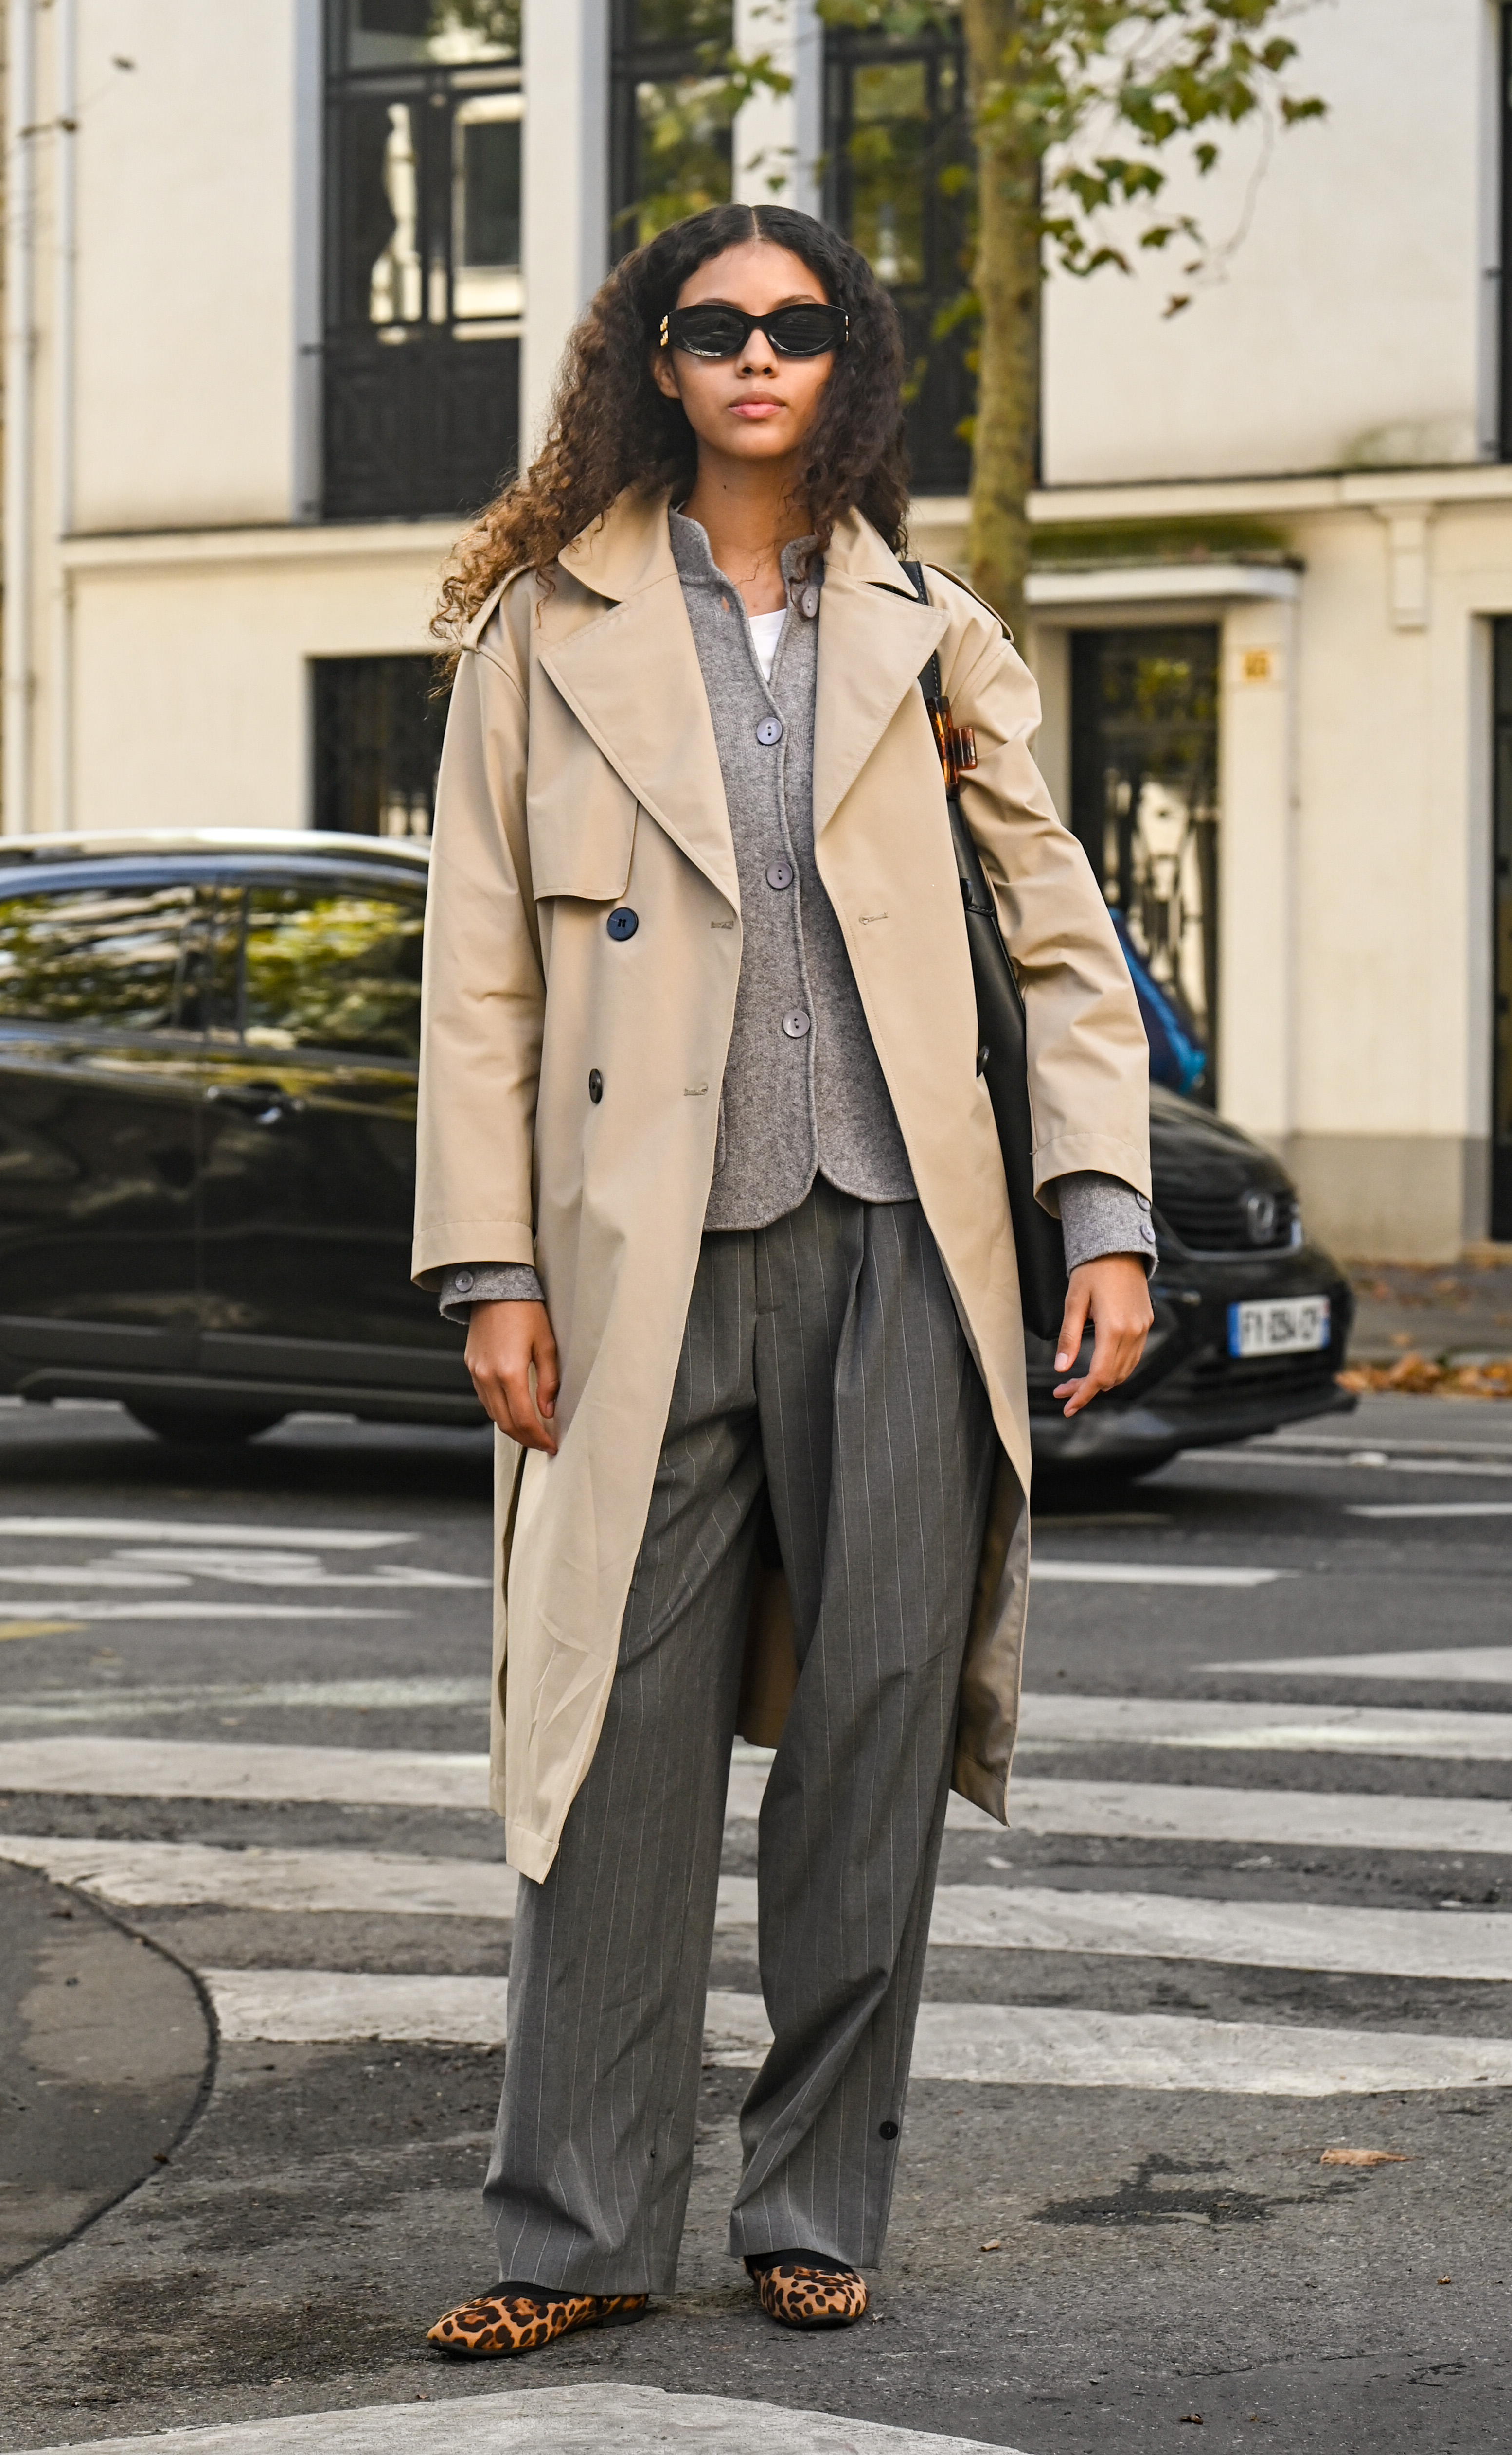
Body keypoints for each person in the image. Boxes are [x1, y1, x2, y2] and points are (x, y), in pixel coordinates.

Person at [412, 202, 1154, 2359]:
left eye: (798, 326)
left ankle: (816, 2196)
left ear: (848, 365)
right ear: (652, 356)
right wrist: (489, 1266)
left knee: (870, 1740)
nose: (756, 355)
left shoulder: (933, 630)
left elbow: (1065, 942)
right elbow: (474, 976)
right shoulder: (534, 629)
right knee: (606, 1741)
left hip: (906, 1252)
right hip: (642, 1262)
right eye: (714, 322)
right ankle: (575, 2223)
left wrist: (1096, 1211)